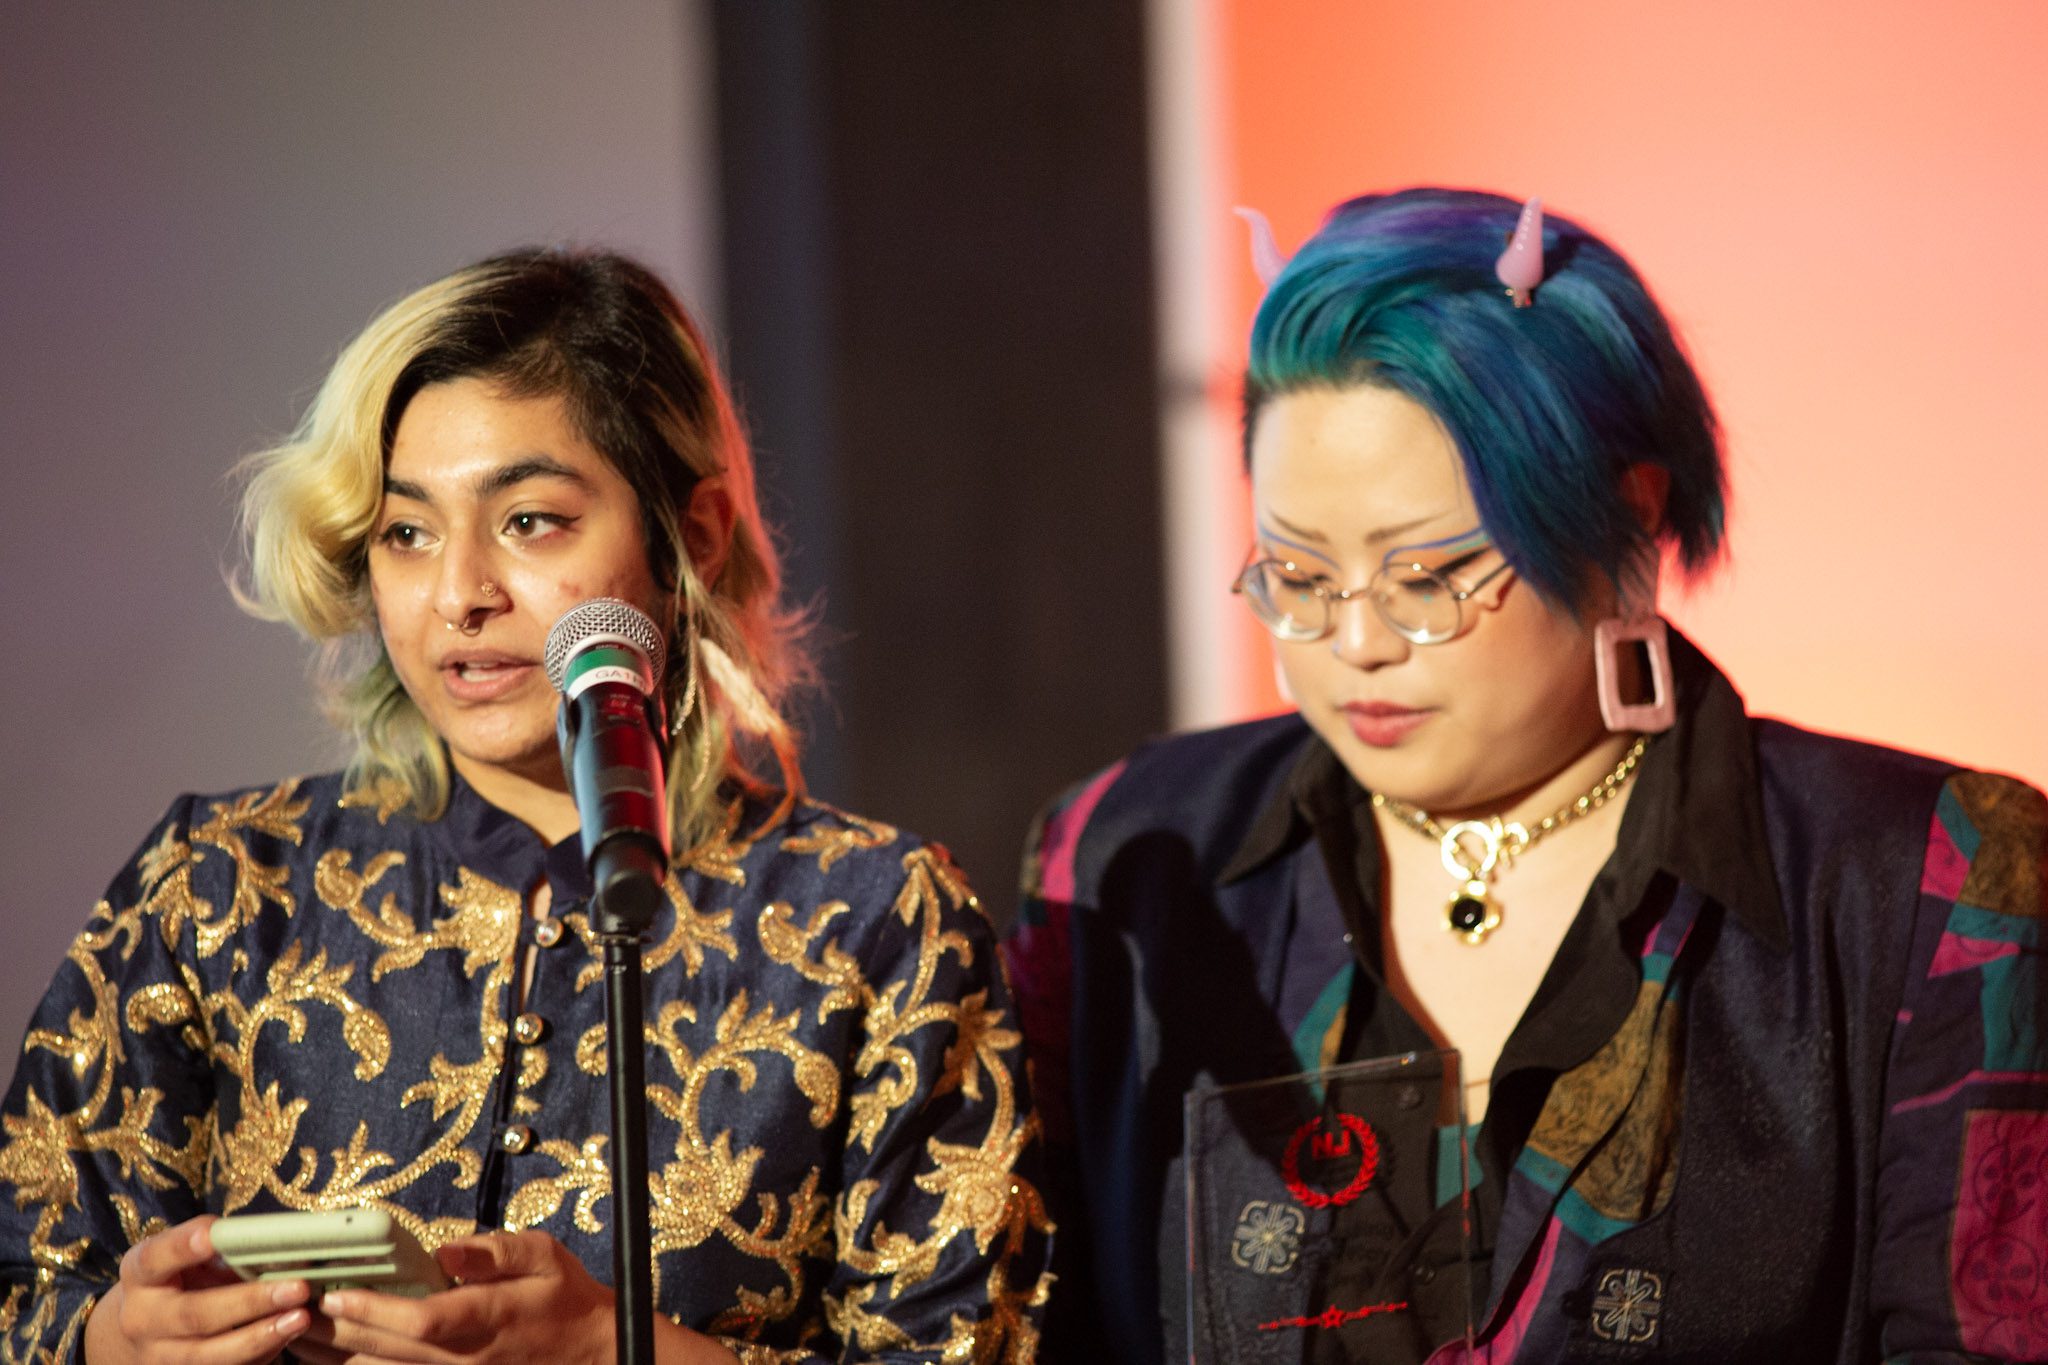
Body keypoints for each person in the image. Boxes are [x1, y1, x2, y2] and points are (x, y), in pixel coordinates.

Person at [1004, 187, 2048, 1362]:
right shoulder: (1128, 857)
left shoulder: (1919, 885)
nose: (1355, 643)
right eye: (1296, 577)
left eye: (1425, 577)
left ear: (1618, 525)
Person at [0, 248, 1051, 1364]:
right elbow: (27, 1289)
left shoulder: (871, 921)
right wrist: (114, 1340)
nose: (460, 593)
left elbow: (964, 1349)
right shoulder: (219, 888)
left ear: (688, 537)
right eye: (406, 533)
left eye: (530, 521)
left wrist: (605, 1348)